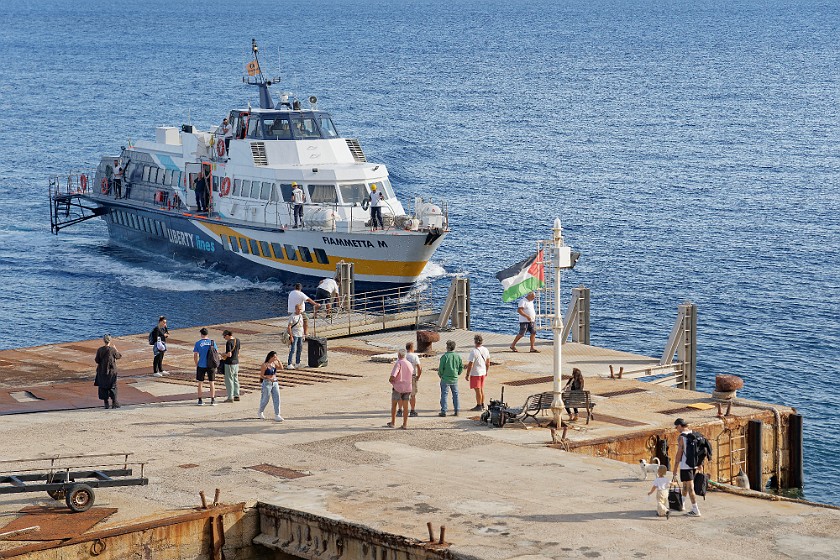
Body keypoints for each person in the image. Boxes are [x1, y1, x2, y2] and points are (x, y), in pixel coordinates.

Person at [673, 418, 701, 517]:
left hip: (686, 465)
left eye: (676, 427)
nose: (676, 429)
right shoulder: (693, 433)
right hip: (693, 465)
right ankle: (682, 504)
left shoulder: (682, 437)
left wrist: (675, 467)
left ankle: (695, 510)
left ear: (680, 426)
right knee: (685, 485)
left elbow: (679, 453)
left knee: (690, 488)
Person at [94, 334, 121, 409]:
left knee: (103, 386)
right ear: (110, 340)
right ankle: (114, 402)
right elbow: (119, 356)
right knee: (113, 386)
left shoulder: (100, 350)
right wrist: (116, 349)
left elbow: (97, 360)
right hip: (112, 371)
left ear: (104, 340)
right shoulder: (112, 350)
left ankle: (106, 403)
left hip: (102, 371)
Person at [388, 349, 413, 429]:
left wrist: (391, 380)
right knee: (406, 407)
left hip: (398, 387)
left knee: (394, 405)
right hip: (408, 387)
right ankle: (405, 424)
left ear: (399, 355)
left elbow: (393, 375)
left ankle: (393, 422)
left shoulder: (398, 363)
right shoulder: (409, 364)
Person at [437, 340, 463, 417]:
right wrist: (458, 373)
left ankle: (444, 411)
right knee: (455, 394)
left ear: (447, 347)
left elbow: (441, 368)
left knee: (444, 394)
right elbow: (461, 366)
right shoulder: (457, 356)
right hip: (454, 378)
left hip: (445, 378)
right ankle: (457, 410)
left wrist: (440, 374)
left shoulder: (445, 356)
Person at [465, 334, 490, 411]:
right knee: (481, 389)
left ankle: (479, 405)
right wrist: (486, 371)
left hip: (476, 373)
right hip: (483, 372)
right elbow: (488, 362)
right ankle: (482, 404)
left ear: (475, 341)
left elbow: (470, 364)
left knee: (477, 390)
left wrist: (467, 374)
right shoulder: (485, 350)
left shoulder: (474, 351)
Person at [193, 327, 217, 406]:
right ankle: (212, 400)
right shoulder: (212, 342)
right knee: (212, 382)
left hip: (201, 365)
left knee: (200, 383)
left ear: (201, 334)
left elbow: (195, 355)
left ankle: (200, 399)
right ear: (207, 334)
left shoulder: (198, 343)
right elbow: (216, 353)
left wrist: (197, 364)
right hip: (211, 365)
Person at [258, 351, 284, 421]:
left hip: (275, 382)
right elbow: (262, 375)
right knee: (266, 398)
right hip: (267, 383)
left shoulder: (274, 364)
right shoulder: (265, 365)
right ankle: (260, 411)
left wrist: (279, 360)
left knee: (277, 397)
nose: (275, 358)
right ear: (271, 357)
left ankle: (277, 414)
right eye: (274, 357)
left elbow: (281, 368)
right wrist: (268, 378)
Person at [398, 341, 421, 418]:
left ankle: (400, 410)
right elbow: (419, 368)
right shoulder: (414, 356)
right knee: (412, 394)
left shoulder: (402, 356)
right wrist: (418, 376)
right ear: (411, 348)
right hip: (412, 376)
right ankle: (412, 411)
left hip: (403, 377)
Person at [221, 329, 241, 403]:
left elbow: (229, 354)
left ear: (227, 335)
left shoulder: (228, 342)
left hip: (229, 363)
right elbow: (238, 352)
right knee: (235, 379)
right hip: (236, 362)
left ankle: (230, 397)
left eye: (224, 337)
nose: (224, 338)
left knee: (229, 380)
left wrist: (223, 354)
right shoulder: (237, 340)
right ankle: (237, 395)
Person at [287, 303, 307, 369]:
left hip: (300, 334)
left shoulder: (301, 316)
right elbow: (289, 327)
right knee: (293, 349)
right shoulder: (292, 316)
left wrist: (304, 334)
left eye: (300, 309)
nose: (299, 310)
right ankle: (289, 363)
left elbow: (302, 325)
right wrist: (291, 336)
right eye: (298, 309)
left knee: (300, 349)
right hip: (294, 334)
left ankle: (297, 363)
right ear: (295, 309)